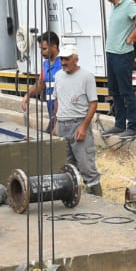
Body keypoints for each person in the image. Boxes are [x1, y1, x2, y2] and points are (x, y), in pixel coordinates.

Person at [102, 0, 136, 145]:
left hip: (122, 54)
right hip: (112, 53)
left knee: (126, 91)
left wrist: (131, 37)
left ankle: (132, 126)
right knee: (114, 90)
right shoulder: (115, 6)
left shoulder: (128, 4)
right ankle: (119, 124)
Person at [50, 45, 102, 196]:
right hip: (62, 124)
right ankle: (75, 198)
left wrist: (83, 127)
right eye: (62, 59)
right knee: (67, 166)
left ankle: (97, 201)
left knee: (86, 166)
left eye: (67, 59)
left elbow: (93, 103)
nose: (64, 62)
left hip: (77, 123)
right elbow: (57, 100)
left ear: (75, 59)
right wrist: (55, 124)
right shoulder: (58, 76)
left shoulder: (86, 76)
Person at [19, 30, 63, 128]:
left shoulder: (64, 64)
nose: (41, 52)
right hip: (53, 114)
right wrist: (28, 95)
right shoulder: (46, 64)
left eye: (44, 48)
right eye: (41, 49)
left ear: (54, 47)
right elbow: (41, 84)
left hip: (62, 116)